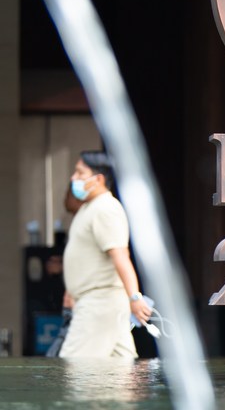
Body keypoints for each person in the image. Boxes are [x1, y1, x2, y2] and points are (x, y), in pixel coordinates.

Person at [59, 151, 152, 358]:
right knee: (120, 369)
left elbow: (120, 255)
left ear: (98, 179)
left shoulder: (105, 209)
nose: (73, 178)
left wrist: (135, 297)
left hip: (99, 303)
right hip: (98, 302)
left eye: (80, 173)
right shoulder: (90, 208)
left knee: (75, 366)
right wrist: (72, 292)